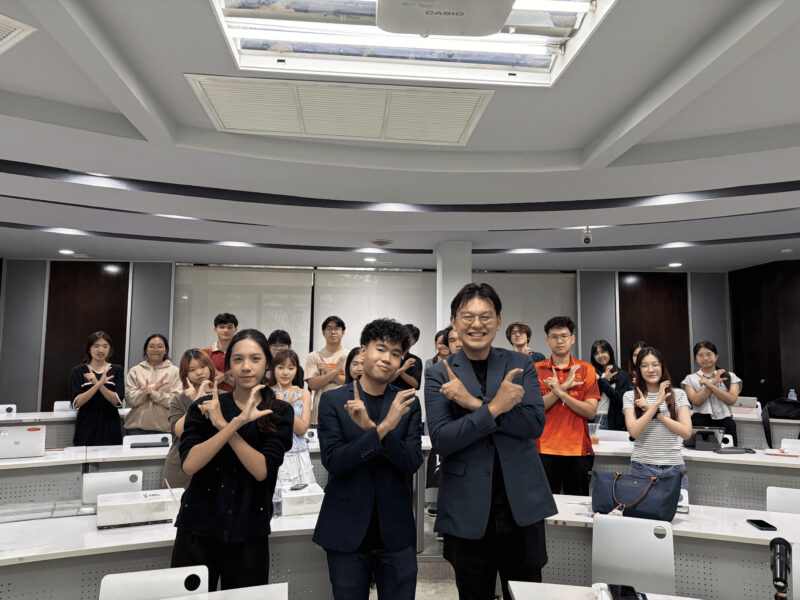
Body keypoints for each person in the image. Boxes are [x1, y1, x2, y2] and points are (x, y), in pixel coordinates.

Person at [425, 283, 556, 600]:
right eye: (467, 316)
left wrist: (471, 404)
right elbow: (443, 439)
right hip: (466, 507)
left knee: (524, 593)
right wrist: (496, 408)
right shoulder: (439, 373)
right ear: (454, 322)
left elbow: (533, 424)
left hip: (521, 504)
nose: (476, 324)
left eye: (485, 316)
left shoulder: (521, 363)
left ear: (498, 321)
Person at [171, 329, 294, 591]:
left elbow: (261, 470)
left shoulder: (279, 411)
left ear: (267, 364)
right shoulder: (206, 405)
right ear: (228, 366)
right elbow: (190, 464)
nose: (246, 367)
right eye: (238, 359)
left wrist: (227, 425)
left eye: (255, 358)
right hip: (198, 526)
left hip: (249, 528)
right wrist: (231, 424)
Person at [313, 319, 422, 600]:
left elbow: (412, 462)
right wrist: (383, 429)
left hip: (396, 532)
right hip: (345, 529)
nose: (387, 359)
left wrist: (371, 429)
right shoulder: (334, 401)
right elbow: (334, 462)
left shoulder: (407, 402)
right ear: (363, 351)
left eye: (396, 354)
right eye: (381, 349)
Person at [535, 316, 600, 495]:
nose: (559, 341)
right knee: (545, 505)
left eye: (564, 336)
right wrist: (563, 387)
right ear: (547, 340)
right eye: (554, 337)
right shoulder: (537, 369)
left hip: (577, 450)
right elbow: (535, 408)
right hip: (543, 449)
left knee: (577, 505)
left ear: (572, 339)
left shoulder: (586, 369)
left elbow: (590, 412)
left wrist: (560, 392)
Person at [623, 347, 693, 492]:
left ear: (662, 366)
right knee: (641, 507)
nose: (650, 369)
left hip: (674, 467)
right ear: (638, 370)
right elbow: (634, 432)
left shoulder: (678, 394)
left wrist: (656, 412)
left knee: (678, 507)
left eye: (655, 364)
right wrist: (655, 405)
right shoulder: (630, 396)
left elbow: (686, 432)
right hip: (641, 467)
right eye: (645, 365)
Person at [162, 349, 216, 489]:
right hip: (182, 466)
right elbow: (180, 431)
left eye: (203, 367)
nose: (199, 372)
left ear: (210, 367)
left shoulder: (224, 396)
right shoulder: (179, 400)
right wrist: (196, 402)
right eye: (192, 370)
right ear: (185, 374)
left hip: (216, 465)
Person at [270, 349, 315, 489]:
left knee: (302, 499)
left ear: (296, 370)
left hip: (299, 455)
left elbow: (302, 430)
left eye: (291, 368)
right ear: (273, 369)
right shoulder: (265, 393)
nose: (285, 372)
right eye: (280, 367)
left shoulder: (304, 394)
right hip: (274, 452)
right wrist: (284, 405)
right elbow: (268, 428)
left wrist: (284, 407)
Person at [70, 330, 125, 446]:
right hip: (86, 426)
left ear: (110, 349)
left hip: (110, 425)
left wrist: (97, 383)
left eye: (105, 346)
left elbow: (117, 401)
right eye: (96, 346)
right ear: (89, 349)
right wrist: (98, 384)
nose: (101, 350)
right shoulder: (78, 371)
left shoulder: (117, 370)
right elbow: (77, 403)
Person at [682, 341, 741, 445]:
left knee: (729, 453)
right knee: (698, 453)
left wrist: (709, 385)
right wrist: (714, 383)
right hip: (699, 422)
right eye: (701, 355)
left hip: (725, 422)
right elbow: (696, 401)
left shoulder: (730, 376)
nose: (705, 358)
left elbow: (731, 400)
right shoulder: (690, 379)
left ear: (716, 356)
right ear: (696, 359)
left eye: (709, 354)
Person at [124, 334, 182, 435]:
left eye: (160, 346)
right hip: (136, 428)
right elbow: (130, 399)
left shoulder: (175, 372)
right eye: (151, 346)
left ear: (166, 350)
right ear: (146, 350)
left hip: (166, 429)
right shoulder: (135, 371)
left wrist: (152, 393)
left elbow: (176, 402)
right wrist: (147, 391)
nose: (155, 349)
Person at [306, 316, 349, 424]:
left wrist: (328, 371)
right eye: (329, 328)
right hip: (320, 409)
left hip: (345, 409)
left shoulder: (350, 356)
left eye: (336, 328)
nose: (333, 332)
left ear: (343, 333)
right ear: (323, 333)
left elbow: (350, 382)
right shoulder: (314, 356)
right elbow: (313, 385)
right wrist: (336, 371)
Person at [589, 339, 632, 431]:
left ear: (610, 352)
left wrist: (604, 381)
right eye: (596, 353)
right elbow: (591, 397)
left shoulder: (622, 375)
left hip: (614, 420)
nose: (600, 355)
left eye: (603, 351)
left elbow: (620, 400)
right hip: (594, 418)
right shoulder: (591, 375)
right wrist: (604, 380)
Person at [202, 313, 238, 392]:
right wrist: (230, 372)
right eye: (222, 327)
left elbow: (242, 385)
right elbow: (206, 384)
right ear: (215, 330)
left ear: (235, 330)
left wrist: (218, 374)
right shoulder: (205, 353)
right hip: (211, 396)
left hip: (237, 397)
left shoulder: (241, 353)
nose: (225, 330)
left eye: (230, 327)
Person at [391, 324, 422, 391]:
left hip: (407, 395)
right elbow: (385, 380)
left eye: (412, 338)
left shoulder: (416, 360)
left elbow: (416, 385)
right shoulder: (390, 355)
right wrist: (403, 369)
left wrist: (401, 372)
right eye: (407, 336)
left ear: (414, 342)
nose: (408, 340)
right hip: (387, 394)